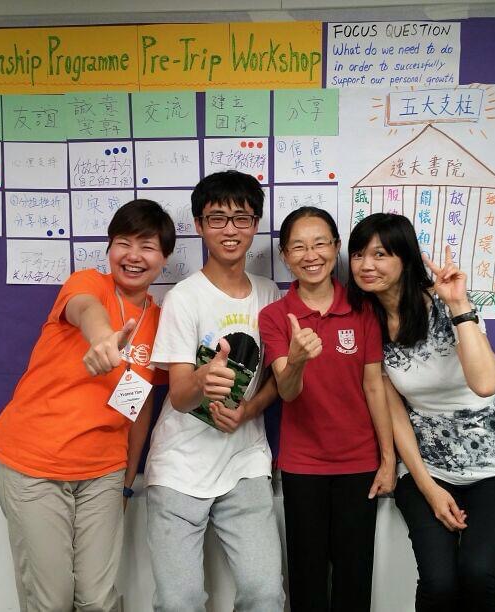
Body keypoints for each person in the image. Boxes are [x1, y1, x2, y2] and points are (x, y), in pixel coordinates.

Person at [0, 199, 175, 612]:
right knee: (50, 602)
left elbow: (139, 408)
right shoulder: (87, 283)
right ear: (109, 249)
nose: (133, 256)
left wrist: (126, 481)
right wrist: (103, 337)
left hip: (103, 472)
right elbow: (84, 310)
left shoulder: (161, 321)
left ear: (165, 257)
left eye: (147, 246)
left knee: (97, 600)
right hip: (36, 463)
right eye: (122, 243)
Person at [347, 212, 495, 612]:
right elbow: (394, 410)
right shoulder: (366, 321)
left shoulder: (446, 305)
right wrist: (429, 487)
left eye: (380, 254)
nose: (366, 265)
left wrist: (460, 304)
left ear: (405, 258)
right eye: (358, 254)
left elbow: (485, 384)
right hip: (425, 467)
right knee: (440, 583)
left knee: (479, 573)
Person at [144, 170, 285, 612]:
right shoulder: (184, 298)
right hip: (180, 467)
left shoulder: (269, 293)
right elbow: (180, 395)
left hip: (244, 461)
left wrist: (247, 410)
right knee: (179, 600)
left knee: (265, 593)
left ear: (256, 224)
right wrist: (203, 382)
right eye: (217, 218)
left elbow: (277, 381)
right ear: (199, 225)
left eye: (241, 218)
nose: (230, 230)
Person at [258, 207, 396, 612]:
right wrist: (297, 358)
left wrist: (388, 459)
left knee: (355, 577)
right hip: (304, 465)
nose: (310, 254)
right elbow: (287, 390)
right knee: (308, 579)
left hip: (359, 463)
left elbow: (375, 385)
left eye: (320, 243)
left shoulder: (363, 309)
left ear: (336, 248)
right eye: (298, 246)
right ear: (285, 255)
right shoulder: (274, 317)